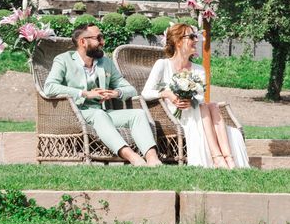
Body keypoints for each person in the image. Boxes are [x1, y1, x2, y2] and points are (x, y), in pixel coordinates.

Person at [44, 23, 161, 166]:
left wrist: (116, 93)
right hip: (75, 113)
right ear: (83, 42)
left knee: (138, 114)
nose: (103, 42)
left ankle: (152, 159)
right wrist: (85, 94)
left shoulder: (105, 62)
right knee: (98, 115)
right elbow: (49, 87)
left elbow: (131, 89)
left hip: (102, 113)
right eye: (98, 38)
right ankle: (133, 157)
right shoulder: (64, 60)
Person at [142, 23, 249, 168]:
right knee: (206, 107)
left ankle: (225, 159)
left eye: (196, 36)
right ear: (178, 41)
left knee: (210, 105)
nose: (196, 40)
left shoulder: (198, 69)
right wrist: (167, 93)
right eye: (192, 37)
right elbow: (145, 93)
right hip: (173, 114)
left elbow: (200, 97)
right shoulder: (162, 64)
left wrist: (189, 100)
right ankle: (220, 158)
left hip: (194, 111)